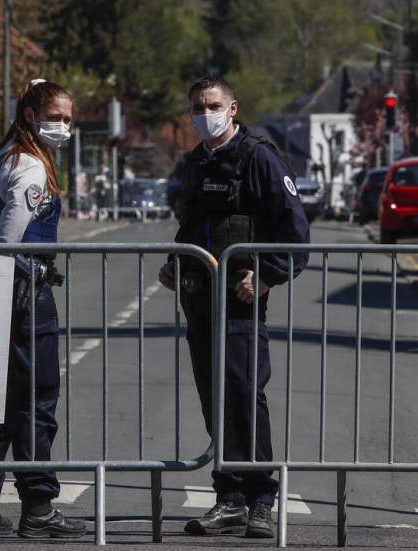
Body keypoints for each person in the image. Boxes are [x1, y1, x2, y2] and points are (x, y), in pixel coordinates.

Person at [158, 75, 310, 538]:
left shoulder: (259, 158)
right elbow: (190, 226)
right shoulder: (192, 165)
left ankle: (260, 498)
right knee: (214, 399)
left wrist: (267, 276)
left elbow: (294, 232)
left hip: (240, 302)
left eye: (214, 104)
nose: (206, 112)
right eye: (199, 106)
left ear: (233, 107)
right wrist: (173, 264)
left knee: (244, 395)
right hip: (199, 299)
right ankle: (229, 498)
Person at [0, 79, 85, 539]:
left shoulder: (3, 155)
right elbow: (4, 241)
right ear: (30, 115)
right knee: (36, 400)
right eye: (57, 116)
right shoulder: (30, 166)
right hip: (24, 294)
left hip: (0, 292)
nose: (64, 126)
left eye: (69, 118)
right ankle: (38, 505)